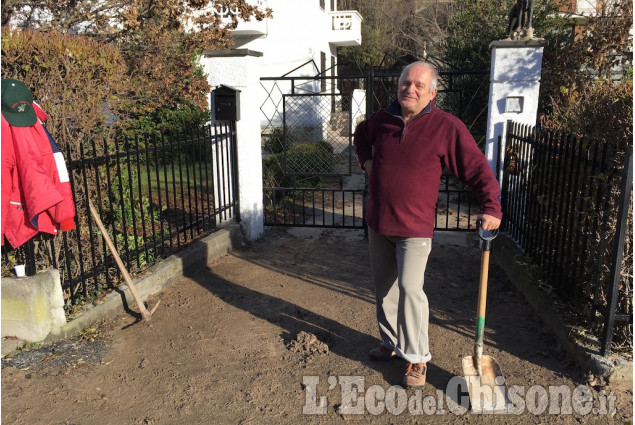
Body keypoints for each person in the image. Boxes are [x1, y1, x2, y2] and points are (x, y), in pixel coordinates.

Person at [353, 62, 502, 389]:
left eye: (419, 85)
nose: (410, 89)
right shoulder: (382, 119)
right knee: (385, 289)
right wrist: (366, 161)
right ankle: (391, 343)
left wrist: (491, 205)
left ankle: (417, 357)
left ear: (432, 92)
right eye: (406, 83)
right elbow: (360, 134)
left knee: (410, 289)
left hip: (415, 229)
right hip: (379, 223)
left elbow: (477, 169)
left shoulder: (446, 127)